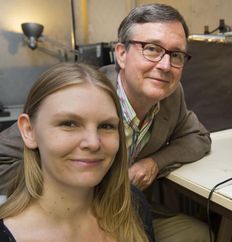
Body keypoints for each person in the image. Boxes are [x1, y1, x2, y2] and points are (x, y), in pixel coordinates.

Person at [0, 3, 212, 242]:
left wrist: (154, 163)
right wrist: (61, 184)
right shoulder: (86, 93)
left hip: (128, 206)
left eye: (176, 55)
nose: (164, 66)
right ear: (121, 54)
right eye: (152, 49)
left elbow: (199, 137)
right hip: (62, 211)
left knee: (199, 234)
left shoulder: (172, 96)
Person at [0, 63, 149, 242]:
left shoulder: (132, 207)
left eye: (106, 126)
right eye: (69, 123)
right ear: (29, 131)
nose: (93, 143)